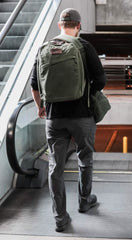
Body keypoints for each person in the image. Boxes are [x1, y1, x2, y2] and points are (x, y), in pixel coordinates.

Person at [30, 8, 106, 232]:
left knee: (56, 167)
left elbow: (35, 86)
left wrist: (40, 107)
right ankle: (84, 200)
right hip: (82, 115)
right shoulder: (84, 46)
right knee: (85, 158)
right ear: (78, 26)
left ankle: (60, 218)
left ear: (59, 26)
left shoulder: (45, 48)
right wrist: (87, 90)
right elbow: (101, 80)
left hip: (54, 117)